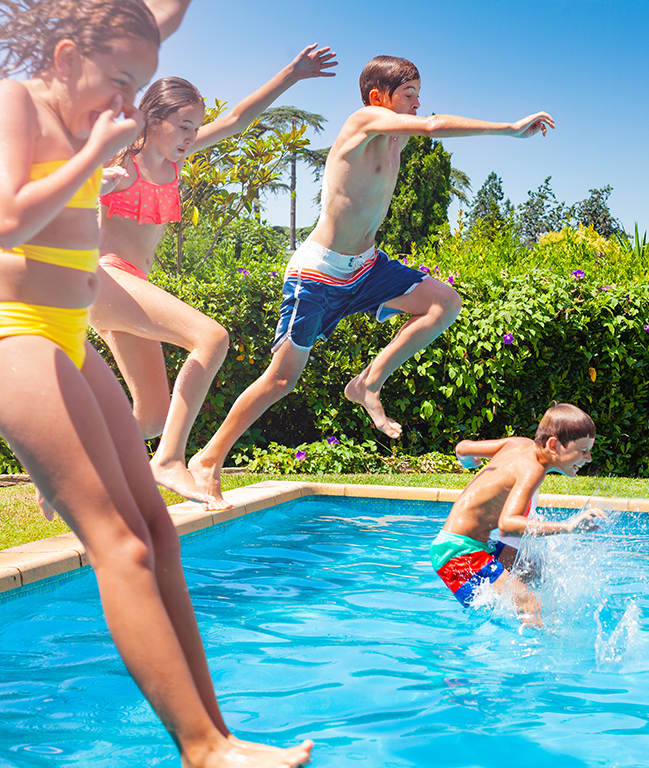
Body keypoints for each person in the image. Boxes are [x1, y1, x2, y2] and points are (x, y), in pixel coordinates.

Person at [0, 1, 312, 765]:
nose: (125, 105)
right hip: (17, 329)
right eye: (120, 83)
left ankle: (222, 738)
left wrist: (289, 74)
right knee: (121, 546)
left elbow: (161, 13)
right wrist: (93, 158)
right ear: (68, 57)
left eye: (138, 90)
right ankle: (202, 748)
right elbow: (5, 219)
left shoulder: (95, 98)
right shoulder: (23, 103)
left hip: (71, 333)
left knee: (160, 533)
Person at [189, 54, 555, 504]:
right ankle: (208, 459)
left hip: (366, 266)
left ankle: (367, 383)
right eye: (409, 94)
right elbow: (436, 126)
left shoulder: (394, 138)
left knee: (443, 303)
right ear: (378, 97)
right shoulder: (363, 120)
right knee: (281, 379)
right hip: (318, 272)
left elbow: (426, 127)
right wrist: (509, 129)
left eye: (420, 95)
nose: (418, 104)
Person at [90, 44, 337, 507]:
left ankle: (68, 465)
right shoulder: (124, 162)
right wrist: (91, 183)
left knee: (152, 417)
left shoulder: (174, 160)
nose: (191, 135)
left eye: (195, 127)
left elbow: (239, 118)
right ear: (152, 118)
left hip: (128, 288)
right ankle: (168, 462)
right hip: (104, 278)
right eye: (183, 125)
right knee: (211, 338)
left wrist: (293, 73)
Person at [430, 403, 605, 619]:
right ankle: (536, 646)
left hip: (469, 545)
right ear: (553, 445)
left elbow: (463, 448)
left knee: (535, 568)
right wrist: (567, 527)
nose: (588, 458)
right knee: (530, 604)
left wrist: (468, 462)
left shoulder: (519, 444)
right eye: (582, 450)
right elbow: (508, 525)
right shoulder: (533, 470)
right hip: (457, 554)